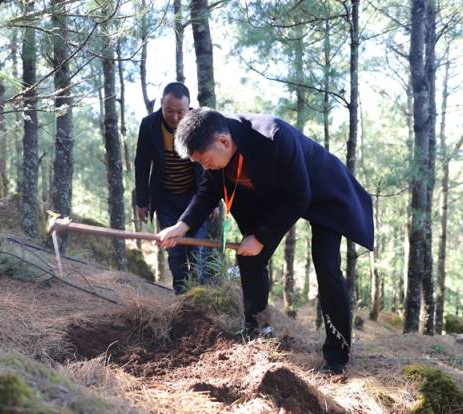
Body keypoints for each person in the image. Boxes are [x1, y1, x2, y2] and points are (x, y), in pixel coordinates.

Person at [158, 108, 374, 375]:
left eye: (206, 161)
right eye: (200, 164)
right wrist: (182, 226)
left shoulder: (273, 136)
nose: (205, 168)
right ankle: (258, 329)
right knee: (248, 256)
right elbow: (208, 190)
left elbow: (299, 198)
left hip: (322, 193)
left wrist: (260, 238)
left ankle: (337, 355)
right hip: (276, 197)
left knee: (327, 265)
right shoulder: (217, 153)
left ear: (223, 142)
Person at [135, 82, 212, 295]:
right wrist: (142, 202)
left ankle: (199, 296)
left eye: (181, 112)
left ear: (189, 108)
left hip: (196, 198)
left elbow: (212, 164)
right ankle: (180, 296)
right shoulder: (149, 125)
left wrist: (213, 200)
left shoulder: (201, 123)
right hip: (165, 198)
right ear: (161, 105)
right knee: (175, 251)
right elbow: (141, 163)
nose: (176, 117)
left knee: (198, 248)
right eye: (170, 111)